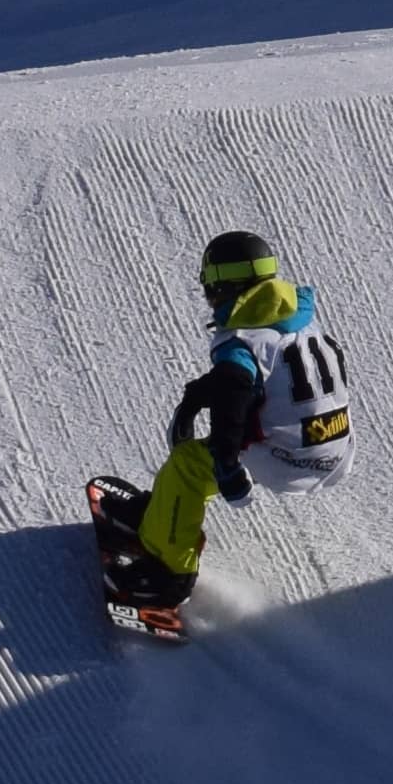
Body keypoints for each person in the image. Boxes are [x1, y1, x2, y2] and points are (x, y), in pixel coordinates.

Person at [127, 231, 356, 598]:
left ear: (223, 287)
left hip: (287, 460)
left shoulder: (242, 341)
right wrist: (197, 394)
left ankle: (168, 573)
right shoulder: (297, 318)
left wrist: (227, 465)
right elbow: (267, 374)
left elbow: (232, 401)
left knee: (187, 466)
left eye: (208, 289)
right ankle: (163, 514)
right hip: (335, 449)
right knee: (217, 447)